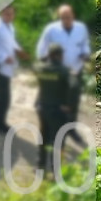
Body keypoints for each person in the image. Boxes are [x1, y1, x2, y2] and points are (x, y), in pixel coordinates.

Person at [35, 4, 90, 125]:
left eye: (68, 17)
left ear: (73, 16)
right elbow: (42, 47)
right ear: (59, 17)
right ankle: (53, 124)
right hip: (57, 72)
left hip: (75, 70)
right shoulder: (51, 29)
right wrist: (45, 63)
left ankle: (71, 125)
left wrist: (85, 55)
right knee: (55, 99)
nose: (66, 20)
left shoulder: (81, 28)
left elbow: (85, 46)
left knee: (73, 98)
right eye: (63, 18)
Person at [34, 43, 73, 179]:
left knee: (43, 138)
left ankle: (40, 166)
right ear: (57, 55)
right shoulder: (63, 71)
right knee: (57, 141)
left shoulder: (40, 68)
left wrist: (45, 59)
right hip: (57, 110)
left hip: (42, 108)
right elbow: (70, 89)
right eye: (61, 54)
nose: (63, 57)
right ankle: (55, 172)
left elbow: (37, 66)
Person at [0, 5, 25, 133]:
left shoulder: (9, 26)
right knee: (5, 96)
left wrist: (19, 50)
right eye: (7, 14)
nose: (9, 16)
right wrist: (4, 57)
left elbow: (11, 42)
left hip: (6, 66)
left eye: (11, 14)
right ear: (1, 13)